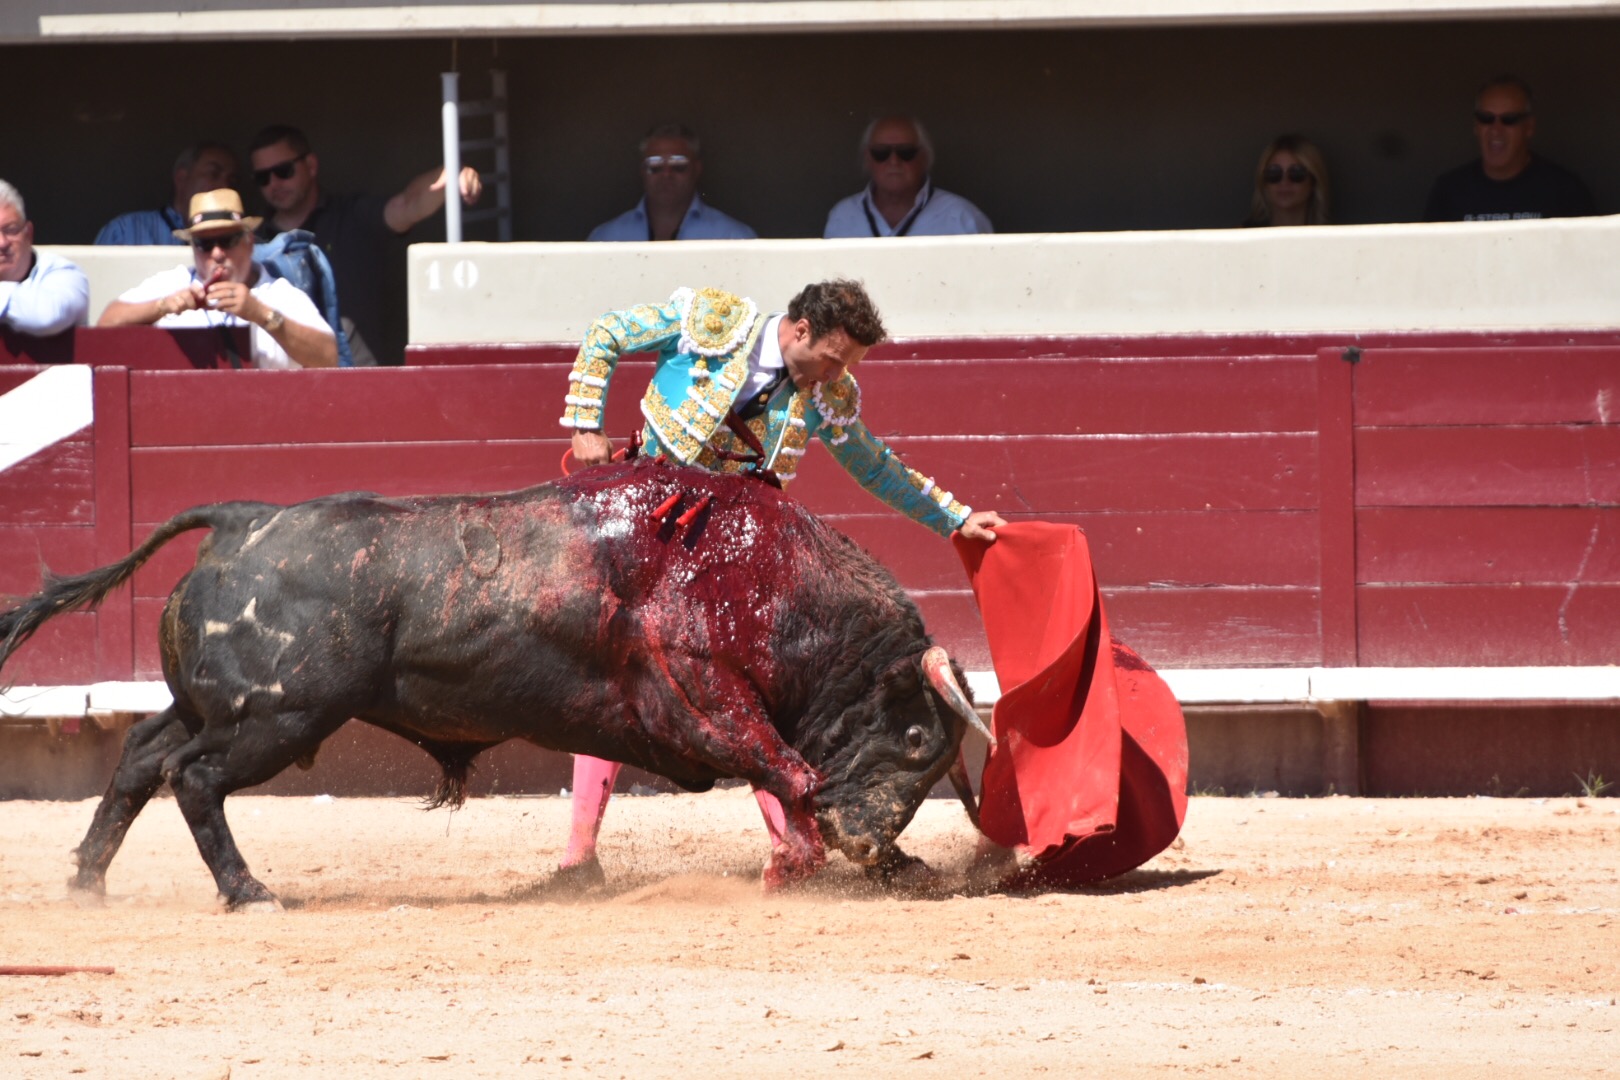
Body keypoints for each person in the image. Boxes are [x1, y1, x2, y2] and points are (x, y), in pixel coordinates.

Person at [557, 278, 1006, 885]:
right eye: (832, 357)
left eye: (847, 364)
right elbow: (608, 331)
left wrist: (953, 518)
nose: (837, 374)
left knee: (756, 689)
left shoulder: (828, 395)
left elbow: (874, 465)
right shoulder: (713, 325)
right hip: (649, 517)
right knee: (619, 680)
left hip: (730, 546)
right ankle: (579, 855)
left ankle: (792, 846)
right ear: (799, 331)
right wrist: (586, 421)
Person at [248, 124, 482, 364]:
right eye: (263, 178)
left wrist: (451, 175)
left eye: (284, 171)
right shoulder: (250, 242)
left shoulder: (351, 216)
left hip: (359, 376)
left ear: (310, 165)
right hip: (286, 381)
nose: (274, 184)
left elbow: (407, 205)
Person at [97, 189, 338, 369]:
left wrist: (261, 314)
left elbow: (328, 358)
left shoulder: (277, 292)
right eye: (205, 244)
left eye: (227, 241)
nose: (217, 254)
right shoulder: (173, 283)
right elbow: (105, 326)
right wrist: (162, 306)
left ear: (249, 242)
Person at [1424, 75, 1596, 222]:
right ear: (1476, 126)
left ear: (1529, 127)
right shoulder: (1448, 192)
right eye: (1486, 118)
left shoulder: (1564, 191)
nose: (1496, 129)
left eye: (1509, 119)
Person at [823, 116, 992, 238]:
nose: (894, 161)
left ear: (925, 157)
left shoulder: (964, 218)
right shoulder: (842, 216)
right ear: (867, 158)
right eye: (881, 153)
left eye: (906, 152)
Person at [587, 123, 757, 242]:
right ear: (642, 171)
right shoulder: (606, 238)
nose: (666, 174)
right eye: (655, 165)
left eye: (678, 165)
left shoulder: (733, 237)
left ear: (697, 169)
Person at [94, 140, 240, 246]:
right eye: (213, 174)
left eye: (231, 180)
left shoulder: (242, 236)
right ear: (181, 178)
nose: (224, 186)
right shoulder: (124, 231)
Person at [0, 179, 89, 338]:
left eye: (11, 230)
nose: (2, 242)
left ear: (29, 233)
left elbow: (48, 316)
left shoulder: (64, 273)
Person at [1242, 135, 1332, 227]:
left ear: (1313, 182)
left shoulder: (1333, 238)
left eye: (1296, 173)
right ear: (1264, 182)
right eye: (1274, 173)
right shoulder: (1240, 237)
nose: (1284, 182)